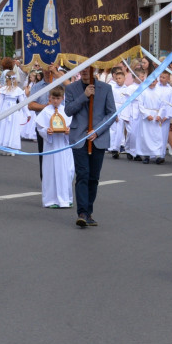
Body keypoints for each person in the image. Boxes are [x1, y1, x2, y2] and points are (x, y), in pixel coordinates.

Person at [64, 66, 116, 227]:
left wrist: (97, 131)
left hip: (97, 139)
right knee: (83, 174)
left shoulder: (106, 88)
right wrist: (84, 96)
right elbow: (68, 110)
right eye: (83, 69)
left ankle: (89, 211)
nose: (85, 71)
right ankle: (82, 213)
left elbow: (111, 113)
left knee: (93, 177)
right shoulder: (72, 88)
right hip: (79, 138)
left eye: (88, 69)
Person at [34, 86, 74, 209]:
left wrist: (69, 131)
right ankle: (51, 199)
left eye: (58, 98)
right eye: (53, 98)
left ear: (62, 98)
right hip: (51, 147)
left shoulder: (66, 111)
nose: (55, 101)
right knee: (51, 172)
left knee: (67, 171)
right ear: (49, 98)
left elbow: (72, 126)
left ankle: (66, 198)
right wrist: (47, 131)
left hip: (63, 145)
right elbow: (40, 128)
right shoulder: (46, 111)